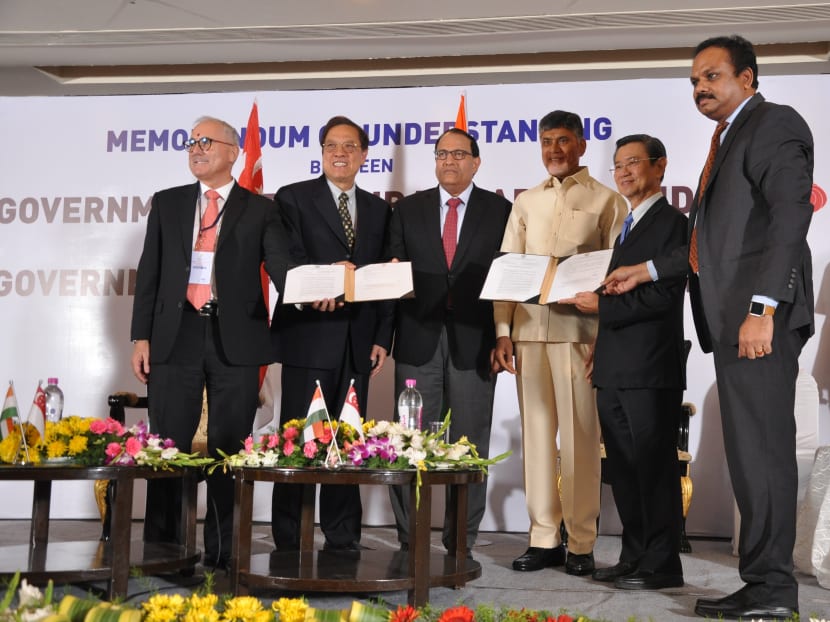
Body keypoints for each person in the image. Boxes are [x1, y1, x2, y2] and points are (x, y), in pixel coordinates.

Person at [603, 35, 814, 619]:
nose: (700, 87)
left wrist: (762, 309)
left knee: (763, 455)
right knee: (750, 457)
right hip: (733, 319)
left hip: (757, 321)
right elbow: (711, 244)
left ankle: (774, 592)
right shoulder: (727, 139)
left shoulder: (773, 124)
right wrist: (645, 270)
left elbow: (790, 217)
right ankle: (763, 585)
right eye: (694, 80)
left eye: (712, 76)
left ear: (747, 78)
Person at [130, 115, 289, 569]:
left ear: (233, 152)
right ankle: (164, 553)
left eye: (206, 141)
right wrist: (141, 336)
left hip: (235, 339)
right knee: (168, 447)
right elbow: (150, 272)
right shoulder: (168, 202)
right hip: (174, 335)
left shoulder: (261, 209)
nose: (196, 149)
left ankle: (224, 553)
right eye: (192, 142)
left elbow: (280, 267)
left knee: (228, 448)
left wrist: (314, 288)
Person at [492, 110, 627, 575]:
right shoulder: (526, 202)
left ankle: (582, 542)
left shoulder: (608, 201)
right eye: (547, 141)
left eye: (564, 140)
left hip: (581, 336)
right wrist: (503, 331)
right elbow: (509, 269)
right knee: (536, 438)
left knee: (581, 440)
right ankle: (543, 537)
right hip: (529, 333)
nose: (554, 149)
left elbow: (617, 276)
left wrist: (606, 335)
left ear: (582, 145)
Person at [561, 134, 687, 590]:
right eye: (617, 165)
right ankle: (634, 556)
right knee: (625, 468)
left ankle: (663, 564)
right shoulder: (627, 226)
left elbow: (664, 296)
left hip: (650, 367)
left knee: (653, 467)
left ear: (660, 166)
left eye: (634, 162)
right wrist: (600, 340)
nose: (624, 172)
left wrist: (602, 307)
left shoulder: (673, 223)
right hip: (615, 364)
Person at [270, 115, 393, 552]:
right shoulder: (293, 198)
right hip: (309, 335)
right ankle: (290, 536)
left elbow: (385, 277)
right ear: (321, 153)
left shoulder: (380, 210)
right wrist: (322, 282)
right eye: (331, 146)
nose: (340, 153)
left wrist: (382, 337)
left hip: (358, 342)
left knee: (349, 438)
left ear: (364, 155)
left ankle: (342, 537)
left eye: (349, 146)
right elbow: (285, 258)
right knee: (299, 439)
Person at [385, 128, 511, 554]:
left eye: (459, 154)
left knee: (470, 443)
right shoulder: (408, 209)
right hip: (417, 338)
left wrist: (504, 336)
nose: (449, 161)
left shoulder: (501, 210)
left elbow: (508, 278)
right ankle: (410, 538)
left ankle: (461, 540)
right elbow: (392, 273)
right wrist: (384, 338)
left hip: (476, 341)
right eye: (442, 154)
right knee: (408, 442)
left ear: (476, 162)